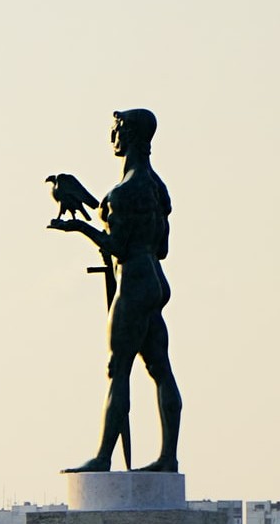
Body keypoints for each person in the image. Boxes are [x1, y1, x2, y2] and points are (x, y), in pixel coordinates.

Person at [49, 108, 181, 473]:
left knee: (118, 367)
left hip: (135, 280)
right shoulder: (157, 188)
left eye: (118, 130)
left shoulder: (125, 192)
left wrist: (80, 231)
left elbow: (118, 246)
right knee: (160, 369)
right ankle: (167, 457)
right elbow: (163, 248)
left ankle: (104, 457)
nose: (113, 138)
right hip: (155, 278)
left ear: (134, 136)